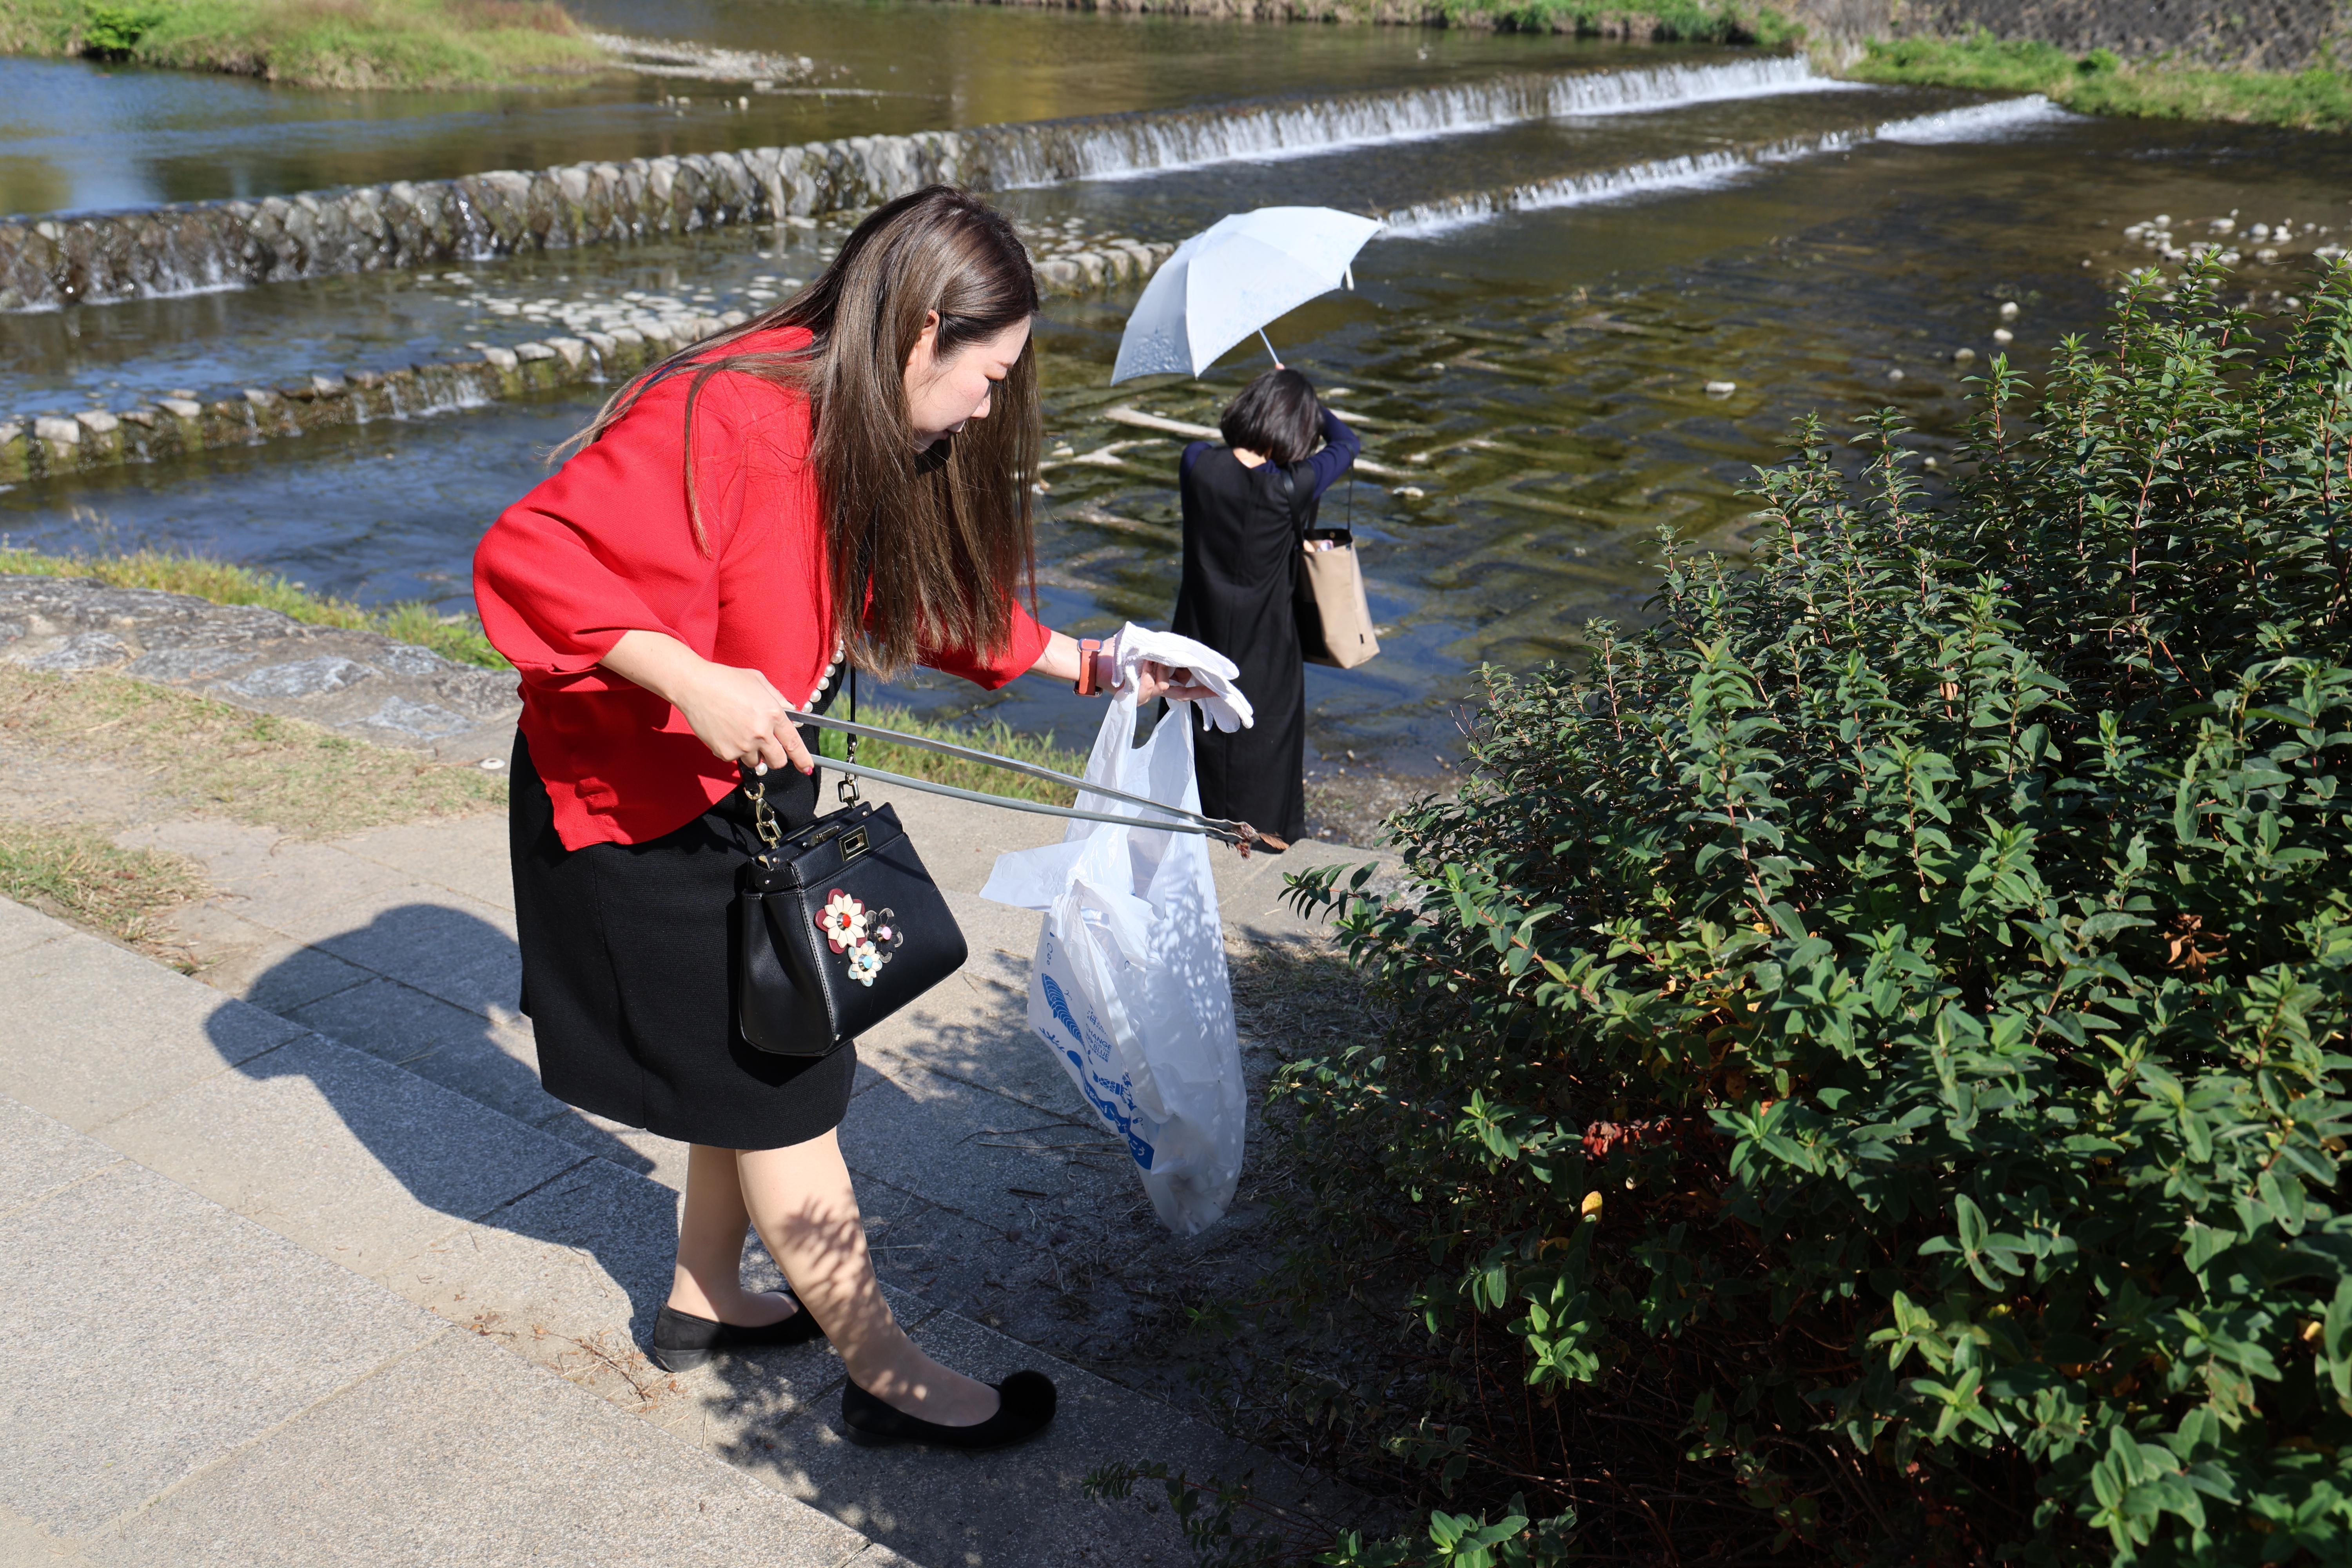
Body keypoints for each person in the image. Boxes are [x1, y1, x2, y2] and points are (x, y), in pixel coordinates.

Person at [472, 185, 1207, 1452]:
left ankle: (704, 1296)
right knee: (791, 1087)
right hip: (646, 802)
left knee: (756, 1050)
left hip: (748, 783)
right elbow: (526, 557)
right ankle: (885, 1374)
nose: (991, 407)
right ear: (924, 335)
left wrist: (1097, 664)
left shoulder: (852, 423)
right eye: (991, 376)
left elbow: (912, 595)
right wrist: (693, 678)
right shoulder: (723, 411)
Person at [1170, 365, 1360, 849]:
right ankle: (1264, 843)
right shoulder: (1293, 485)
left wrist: (1281, 391)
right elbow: (1347, 443)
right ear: (1298, 426)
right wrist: (1311, 404)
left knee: (1194, 742)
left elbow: (1225, 454)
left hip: (1197, 641)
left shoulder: (1196, 463)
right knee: (1266, 750)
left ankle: (1192, 837)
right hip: (1269, 649)